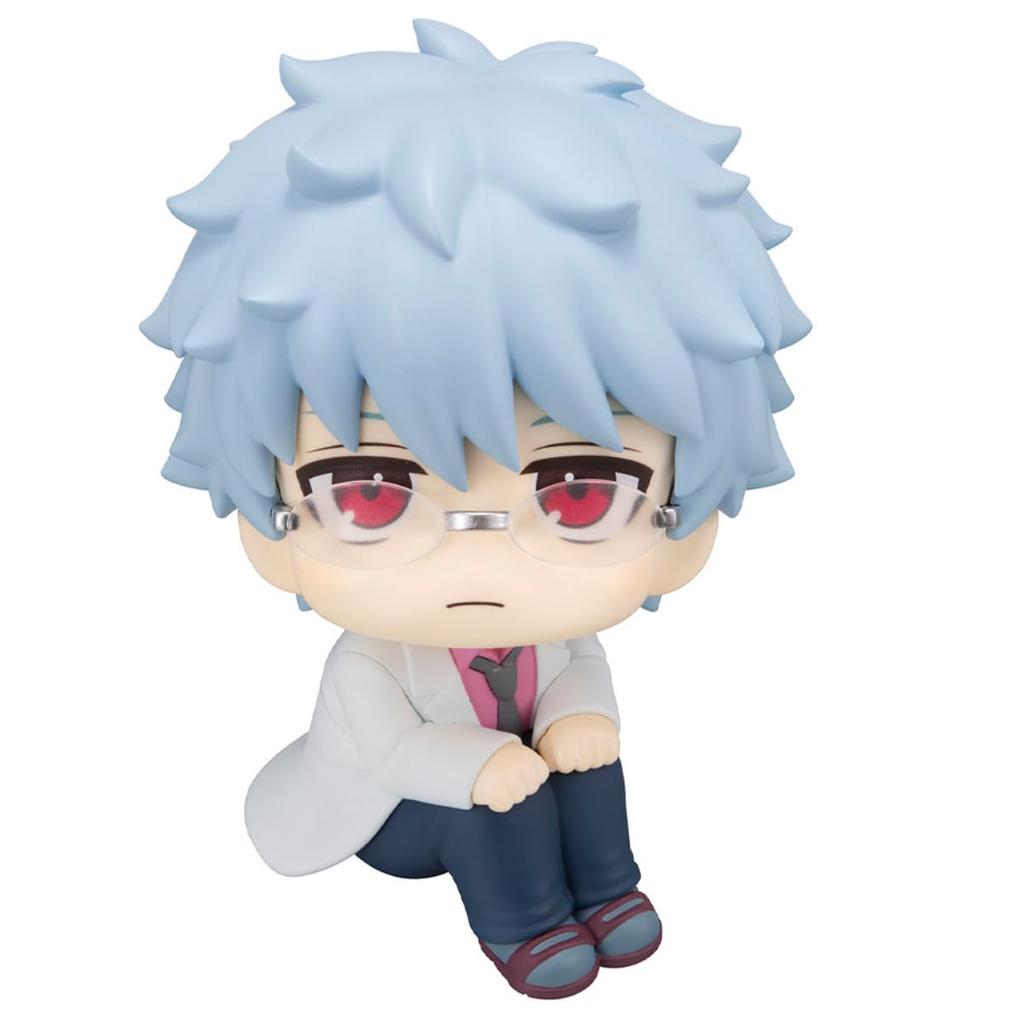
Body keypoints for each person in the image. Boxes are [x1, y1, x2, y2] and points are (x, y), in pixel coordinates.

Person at [142, 19, 810, 998]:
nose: (477, 561)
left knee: (586, 756)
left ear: (683, 521)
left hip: (525, 783)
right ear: (270, 522)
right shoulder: (372, 663)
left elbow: (582, 680)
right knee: (494, 793)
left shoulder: (560, 636)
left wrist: (580, 722)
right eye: (370, 491)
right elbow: (394, 750)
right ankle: (524, 927)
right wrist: (484, 765)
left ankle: (608, 890)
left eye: (578, 489)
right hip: (399, 813)